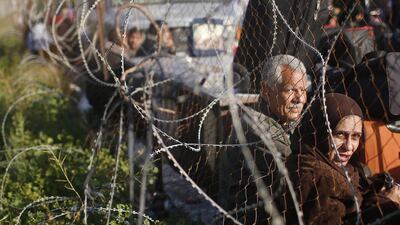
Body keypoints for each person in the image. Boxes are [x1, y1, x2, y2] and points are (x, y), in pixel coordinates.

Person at [218, 54, 308, 224]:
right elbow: (298, 183)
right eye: (290, 90)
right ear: (266, 90)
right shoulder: (261, 132)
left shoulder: (275, 117)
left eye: (303, 90)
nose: (300, 99)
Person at [286, 93, 400, 225]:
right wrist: (386, 205)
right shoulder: (315, 176)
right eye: (340, 134)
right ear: (319, 131)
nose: (349, 146)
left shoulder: (344, 168)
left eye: (356, 136)